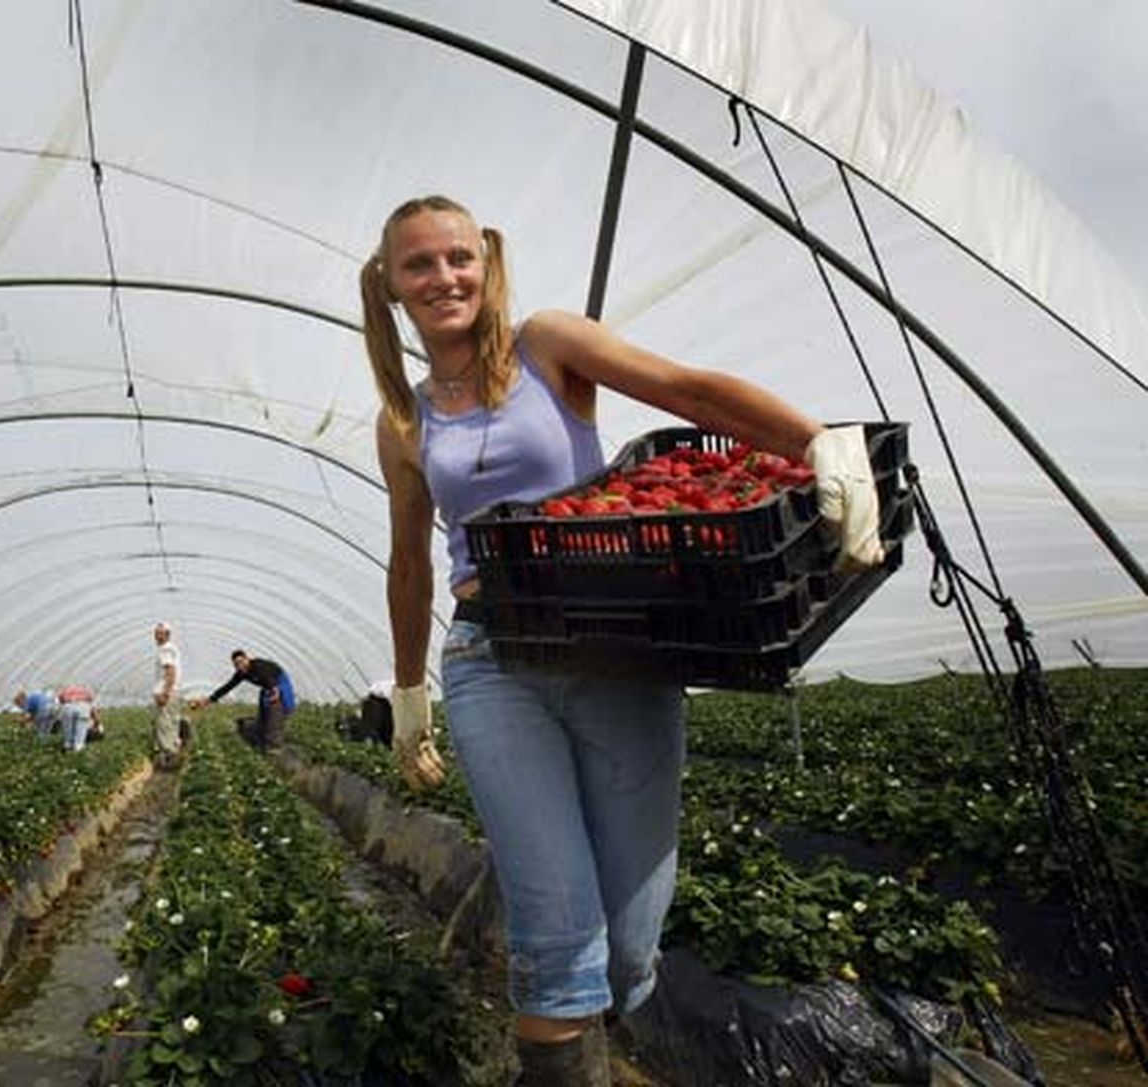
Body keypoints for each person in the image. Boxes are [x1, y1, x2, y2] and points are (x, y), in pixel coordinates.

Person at [359, 195, 882, 1085]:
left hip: (617, 643)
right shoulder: (403, 422)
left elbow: (685, 390)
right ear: (392, 287)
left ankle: (606, 1004)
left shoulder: (549, 345)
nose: (443, 277)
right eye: (420, 265)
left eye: (458, 257)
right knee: (558, 924)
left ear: (486, 262)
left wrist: (814, 440)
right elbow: (410, 560)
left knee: (630, 944)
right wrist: (409, 690)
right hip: (492, 658)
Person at [189, 650, 297, 750]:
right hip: (268, 690)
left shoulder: (257, 665)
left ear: (247, 658)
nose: (239, 666)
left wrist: (275, 690)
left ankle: (274, 747)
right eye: (236, 664)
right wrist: (207, 701)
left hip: (280, 686)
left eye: (241, 662)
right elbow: (227, 687)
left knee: (274, 720)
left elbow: (268, 676)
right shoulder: (241, 674)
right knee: (263, 721)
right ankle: (260, 734)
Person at [150, 622, 184, 766]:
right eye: (155, 633)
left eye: (160, 633)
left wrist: (165, 693)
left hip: (166, 693)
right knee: (172, 723)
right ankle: (174, 752)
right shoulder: (172, 649)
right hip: (174, 692)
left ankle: (169, 757)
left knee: (164, 724)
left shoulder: (165, 649)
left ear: (167, 635)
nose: (156, 636)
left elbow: (170, 672)